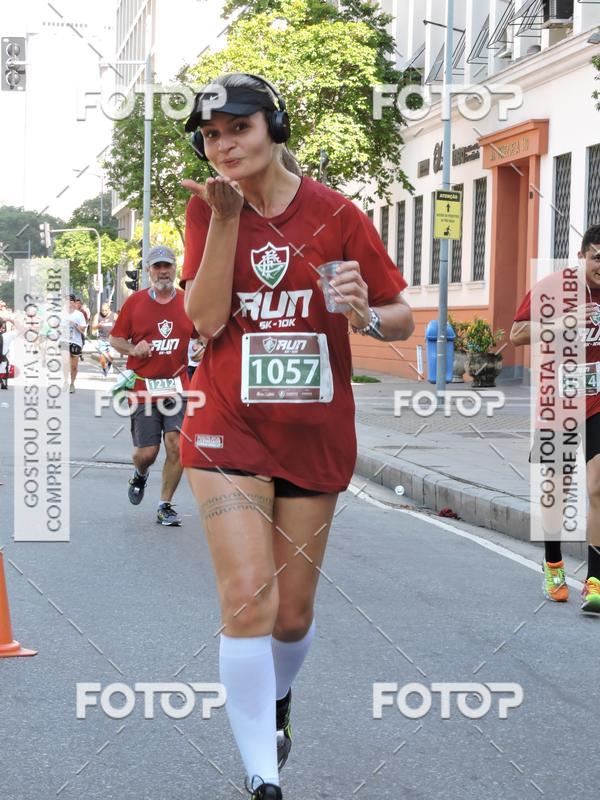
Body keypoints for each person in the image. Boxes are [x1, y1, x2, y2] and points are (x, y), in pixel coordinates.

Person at [180, 73, 414, 800]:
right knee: (249, 596)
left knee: (291, 614)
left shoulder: (337, 213)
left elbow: (400, 316)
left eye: (238, 128)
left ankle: (277, 699)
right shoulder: (206, 209)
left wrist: (364, 314)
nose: (224, 146)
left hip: (313, 433)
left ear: (273, 127)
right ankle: (262, 773)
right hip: (225, 429)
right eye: (211, 136)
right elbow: (205, 321)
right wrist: (224, 221)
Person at [510, 224, 600, 613]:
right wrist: (563, 323)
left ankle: (595, 581)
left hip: (597, 401)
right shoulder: (553, 287)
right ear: (582, 256)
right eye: (597, 257)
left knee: (598, 487)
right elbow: (516, 334)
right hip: (557, 403)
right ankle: (553, 565)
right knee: (557, 491)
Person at [109, 245, 197, 527]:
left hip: (177, 386)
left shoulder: (188, 302)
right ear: (148, 271)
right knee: (147, 453)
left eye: (167, 266)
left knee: (177, 445)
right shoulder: (135, 303)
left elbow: (203, 334)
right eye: (157, 267)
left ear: (175, 268)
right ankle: (140, 474)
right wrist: (133, 349)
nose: (163, 271)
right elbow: (115, 339)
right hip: (143, 387)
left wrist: (203, 347)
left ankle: (164, 505)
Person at [63, 294, 87, 393]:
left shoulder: (79, 315)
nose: (69, 303)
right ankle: (65, 381)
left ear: (74, 302)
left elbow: (83, 329)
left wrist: (75, 324)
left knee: (74, 366)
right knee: (65, 362)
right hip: (64, 341)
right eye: (66, 301)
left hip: (76, 342)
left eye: (71, 301)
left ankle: (72, 383)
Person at [92, 302, 118, 375]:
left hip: (111, 339)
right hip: (102, 339)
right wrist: (98, 326)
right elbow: (93, 327)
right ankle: (104, 369)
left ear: (109, 309)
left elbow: (120, 324)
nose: (104, 312)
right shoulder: (98, 315)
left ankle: (109, 365)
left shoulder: (114, 315)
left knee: (111, 355)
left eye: (106, 310)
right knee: (102, 357)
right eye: (103, 310)